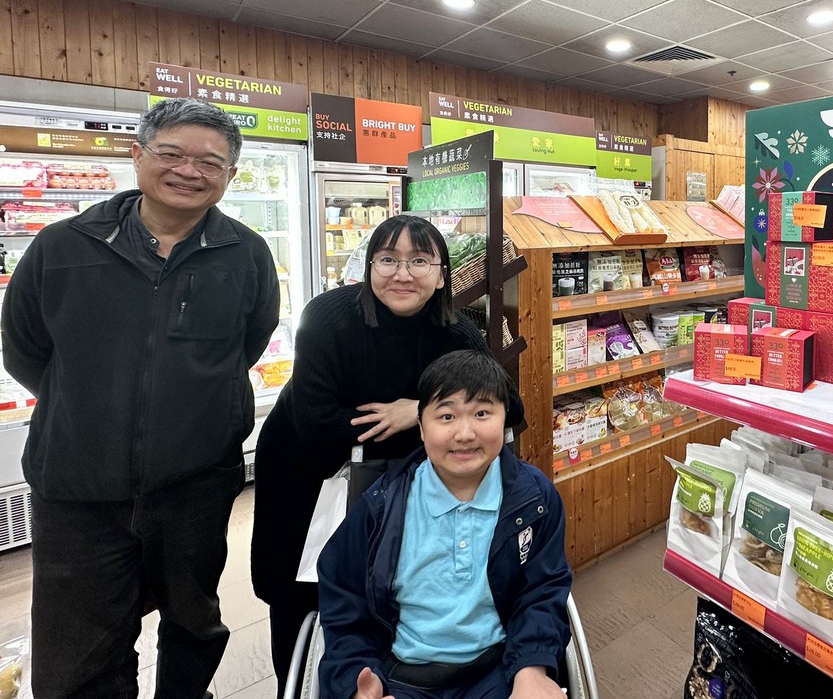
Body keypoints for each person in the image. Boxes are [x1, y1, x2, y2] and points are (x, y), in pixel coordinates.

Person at [0, 97, 280, 699]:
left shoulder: (246, 253)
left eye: (210, 162)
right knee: (78, 652)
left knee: (194, 623)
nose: (189, 171)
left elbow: (246, 346)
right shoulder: (62, 246)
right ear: (137, 155)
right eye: (171, 153)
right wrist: (89, 403)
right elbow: (23, 348)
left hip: (195, 484)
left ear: (230, 175)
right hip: (77, 486)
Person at [250, 215, 525, 692]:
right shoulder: (327, 318)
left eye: (419, 261)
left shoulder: (454, 331)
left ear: (441, 276)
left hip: (389, 478)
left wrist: (415, 411)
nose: (402, 274)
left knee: (380, 591)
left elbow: (509, 408)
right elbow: (318, 426)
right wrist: (436, 420)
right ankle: (295, 686)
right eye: (388, 260)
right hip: (304, 473)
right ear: (369, 267)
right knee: (299, 592)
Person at [317, 349, 570, 699]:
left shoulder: (534, 500)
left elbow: (542, 591)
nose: (465, 433)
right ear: (422, 428)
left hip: (500, 669)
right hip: (402, 677)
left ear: (504, 421)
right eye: (447, 416)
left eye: (482, 413)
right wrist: (355, 683)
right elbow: (344, 600)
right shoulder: (382, 508)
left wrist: (532, 669)